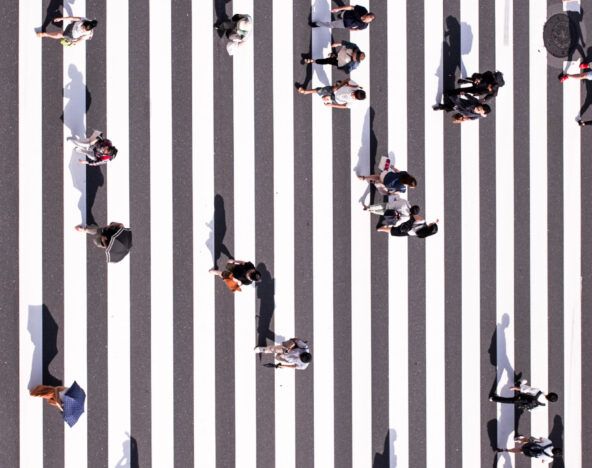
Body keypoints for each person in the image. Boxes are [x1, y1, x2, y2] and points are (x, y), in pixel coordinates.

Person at [490, 379, 558, 411]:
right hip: (522, 403)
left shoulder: (539, 392)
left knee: (521, 388)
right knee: (508, 401)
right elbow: (532, 409)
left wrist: (515, 388)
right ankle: (493, 399)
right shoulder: (543, 404)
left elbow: (527, 389)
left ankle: (519, 384)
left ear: (550, 393)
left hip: (521, 396)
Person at [297, 79, 366, 109]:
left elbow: (344, 106)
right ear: (357, 90)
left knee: (324, 97)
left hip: (336, 99)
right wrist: (337, 87)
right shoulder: (355, 86)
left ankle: (328, 98)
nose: (353, 94)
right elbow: (347, 80)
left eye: (354, 96)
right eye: (354, 93)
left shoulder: (354, 103)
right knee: (321, 90)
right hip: (334, 90)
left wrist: (331, 105)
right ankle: (305, 92)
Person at [497, 436, 562, 463]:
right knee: (520, 450)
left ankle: (518, 439)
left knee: (531, 439)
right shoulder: (550, 459)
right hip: (530, 453)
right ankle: (505, 450)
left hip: (531, 445)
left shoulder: (549, 443)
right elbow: (543, 461)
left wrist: (540, 441)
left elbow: (541, 438)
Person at [311, 4, 376, 31]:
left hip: (345, 24)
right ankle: (340, 15)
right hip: (345, 14)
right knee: (341, 15)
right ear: (366, 14)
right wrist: (338, 9)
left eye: (367, 20)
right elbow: (351, 7)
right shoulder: (362, 9)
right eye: (366, 17)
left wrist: (352, 30)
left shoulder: (364, 26)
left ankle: (317, 23)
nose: (365, 19)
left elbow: (358, 29)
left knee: (330, 25)